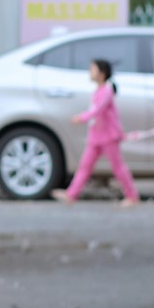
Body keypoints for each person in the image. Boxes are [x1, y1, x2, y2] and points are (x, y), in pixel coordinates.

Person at [53, 58, 140, 206]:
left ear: (102, 73)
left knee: (118, 167)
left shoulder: (106, 91)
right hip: (96, 136)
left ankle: (132, 196)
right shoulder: (99, 91)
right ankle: (72, 194)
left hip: (108, 136)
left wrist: (81, 118)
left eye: (93, 69)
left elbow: (96, 110)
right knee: (85, 166)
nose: (90, 72)